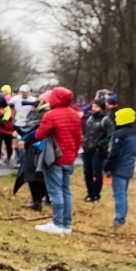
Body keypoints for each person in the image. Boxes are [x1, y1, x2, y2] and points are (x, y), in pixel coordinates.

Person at [34, 86, 83, 235]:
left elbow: (39, 135)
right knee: (66, 191)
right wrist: (74, 154)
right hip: (69, 158)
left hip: (54, 158)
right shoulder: (75, 115)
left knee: (55, 191)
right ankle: (66, 225)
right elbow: (79, 137)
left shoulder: (51, 115)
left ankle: (57, 223)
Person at [106, 106, 136, 227]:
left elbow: (114, 153)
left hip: (119, 168)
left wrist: (107, 166)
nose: (115, 120)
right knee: (123, 193)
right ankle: (122, 216)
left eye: (117, 117)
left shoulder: (120, 134)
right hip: (129, 167)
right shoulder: (135, 133)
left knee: (119, 194)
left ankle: (119, 218)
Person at [82, 92, 112, 203]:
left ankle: (96, 195)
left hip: (98, 151)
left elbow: (110, 135)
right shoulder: (90, 119)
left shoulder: (106, 120)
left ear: (101, 108)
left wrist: (99, 144)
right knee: (87, 172)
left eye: (96, 107)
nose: (93, 108)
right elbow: (86, 132)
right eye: (93, 106)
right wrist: (84, 143)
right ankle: (89, 194)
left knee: (97, 173)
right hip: (87, 149)